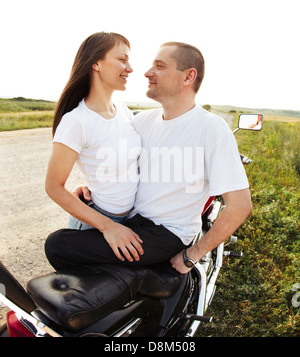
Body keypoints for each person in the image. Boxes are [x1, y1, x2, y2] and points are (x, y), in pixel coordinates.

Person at [45, 41, 252, 274]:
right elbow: (116, 157)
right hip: (132, 223)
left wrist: (191, 255)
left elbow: (240, 205)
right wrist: (91, 182)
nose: (146, 72)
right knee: (65, 243)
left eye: (159, 66)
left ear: (188, 77)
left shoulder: (211, 128)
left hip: (166, 234)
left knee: (59, 245)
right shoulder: (141, 121)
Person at [45, 32, 144, 261]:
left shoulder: (123, 110)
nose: (129, 68)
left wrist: (87, 180)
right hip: (95, 226)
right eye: (122, 60)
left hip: (128, 222)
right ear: (96, 63)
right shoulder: (76, 121)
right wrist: (109, 227)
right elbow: (53, 186)